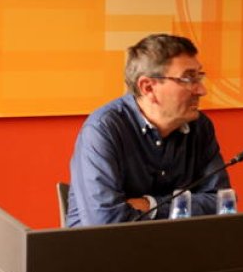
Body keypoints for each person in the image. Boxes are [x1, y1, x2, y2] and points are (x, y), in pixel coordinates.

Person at [64, 33, 230, 226]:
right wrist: (183, 207)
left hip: (176, 249)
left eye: (199, 77)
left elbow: (220, 202)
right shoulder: (103, 130)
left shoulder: (200, 127)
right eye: (188, 79)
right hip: (103, 252)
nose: (202, 90)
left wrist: (151, 205)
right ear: (148, 87)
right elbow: (105, 222)